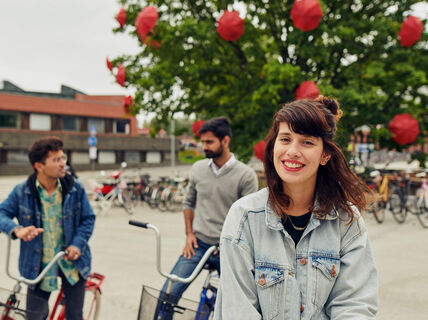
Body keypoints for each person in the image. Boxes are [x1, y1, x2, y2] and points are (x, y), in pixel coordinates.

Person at [214, 97, 378, 319]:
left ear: (325, 155)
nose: (292, 151)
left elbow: (355, 305)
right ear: (274, 147)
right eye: (285, 139)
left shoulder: (346, 220)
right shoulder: (244, 217)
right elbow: (237, 310)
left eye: (307, 142)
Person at [156, 116, 258, 318]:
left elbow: (250, 219)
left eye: (209, 142)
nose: (204, 146)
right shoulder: (198, 169)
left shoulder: (246, 175)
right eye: (202, 141)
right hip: (199, 244)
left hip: (229, 248)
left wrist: (232, 245)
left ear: (226, 141)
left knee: (238, 305)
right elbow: (188, 203)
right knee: (166, 294)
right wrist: (189, 234)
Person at [0, 137, 95, 320]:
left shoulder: (76, 189)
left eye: (63, 158)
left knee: (74, 316)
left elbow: (88, 218)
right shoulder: (22, 191)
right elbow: (1, 213)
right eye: (56, 160)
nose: (63, 164)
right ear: (39, 166)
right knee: (35, 317)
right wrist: (16, 230)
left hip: (72, 264)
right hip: (38, 267)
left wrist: (77, 244)